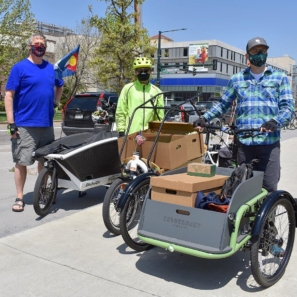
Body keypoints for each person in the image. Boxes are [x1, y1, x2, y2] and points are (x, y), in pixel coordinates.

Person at [194, 37, 294, 194]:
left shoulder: (279, 78)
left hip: (269, 143)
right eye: (255, 51)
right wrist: (205, 117)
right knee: (243, 188)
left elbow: (288, 108)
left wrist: (275, 121)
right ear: (247, 56)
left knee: (269, 189)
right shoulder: (237, 79)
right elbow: (223, 104)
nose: (259, 54)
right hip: (244, 144)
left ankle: (268, 219)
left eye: (262, 51)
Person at [4, 33, 64, 212]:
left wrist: (55, 102)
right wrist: (11, 123)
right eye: (36, 44)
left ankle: (44, 192)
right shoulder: (19, 68)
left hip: (46, 124)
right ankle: (20, 197)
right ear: (30, 46)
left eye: (42, 44)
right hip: (25, 124)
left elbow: (59, 85)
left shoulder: (51, 68)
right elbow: (9, 95)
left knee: (45, 162)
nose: (40, 47)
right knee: (22, 162)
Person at [116, 57, 164, 136]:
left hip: (149, 136)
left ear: (150, 71)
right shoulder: (127, 89)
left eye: (146, 70)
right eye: (139, 71)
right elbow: (121, 111)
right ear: (135, 72)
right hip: (131, 134)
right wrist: (121, 130)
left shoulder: (157, 92)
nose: (143, 73)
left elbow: (159, 116)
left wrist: (158, 133)